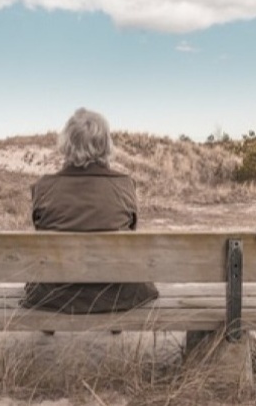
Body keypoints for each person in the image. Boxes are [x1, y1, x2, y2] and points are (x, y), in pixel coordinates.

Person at [21, 108, 159, 314]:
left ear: (66, 144)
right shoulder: (125, 185)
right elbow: (131, 231)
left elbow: (41, 230)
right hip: (116, 294)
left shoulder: (43, 187)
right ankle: (115, 324)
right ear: (105, 145)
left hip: (56, 296)